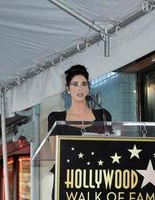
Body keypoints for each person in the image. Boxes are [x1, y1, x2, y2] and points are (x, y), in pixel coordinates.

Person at [47, 64, 112, 199]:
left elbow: (109, 151)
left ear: (88, 87)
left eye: (83, 84)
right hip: (67, 182)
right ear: (68, 89)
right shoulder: (56, 118)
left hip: (96, 182)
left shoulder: (103, 115)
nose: (80, 88)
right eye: (75, 84)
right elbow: (56, 155)